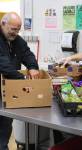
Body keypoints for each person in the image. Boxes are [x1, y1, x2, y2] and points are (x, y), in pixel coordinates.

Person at [0, 12, 39, 150]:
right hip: (6, 84)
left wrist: (33, 67)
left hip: (9, 89)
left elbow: (27, 54)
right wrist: (22, 79)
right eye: (13, 29)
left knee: (5, 124)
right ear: (3, 24)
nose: (15, 33)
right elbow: (4, 65)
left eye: (18, 29)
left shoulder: (17, 40)